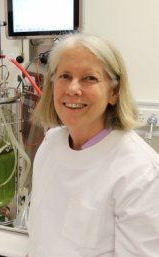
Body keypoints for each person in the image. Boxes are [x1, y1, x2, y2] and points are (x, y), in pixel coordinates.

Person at [27, 33, 159, 256]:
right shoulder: (50, 145)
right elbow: (39, 237)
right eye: (65, 76)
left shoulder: (141, 172)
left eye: (89, 78)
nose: (73, 89)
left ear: (114, 93)